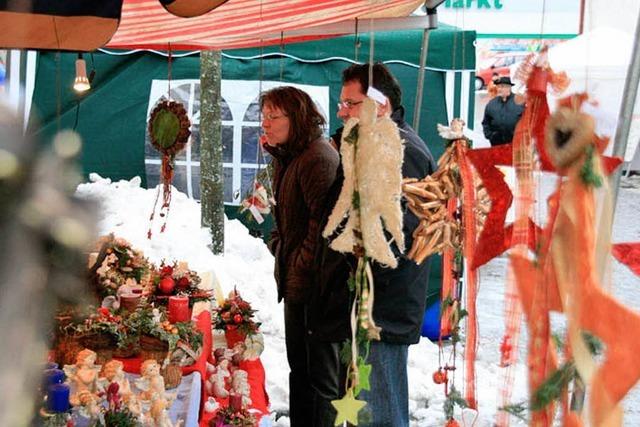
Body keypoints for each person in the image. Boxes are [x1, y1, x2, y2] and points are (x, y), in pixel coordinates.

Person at [306, 63, 436, 426]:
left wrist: (358, 267)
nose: (341, 111)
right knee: (365, 409)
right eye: (341, 103)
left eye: (350, 103)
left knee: (379, 412)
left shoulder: (401, 151)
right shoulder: (368, 142)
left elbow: (399, 236)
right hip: (365, 307)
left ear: (379, 105)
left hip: (381, 310)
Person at [261, 86, 340, 426]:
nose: (265, 123)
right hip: (299, 285)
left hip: (314, 289)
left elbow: (321, 228)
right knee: (301, 372)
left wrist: (297, 267)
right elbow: (287, 219)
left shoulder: (317, 158)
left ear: (296, 119)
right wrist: (279, 246)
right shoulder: (291, 157)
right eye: (263, 116)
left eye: (272, 117)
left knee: (318, 378)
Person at [482, 76, 524, 146]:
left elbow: (529, 121)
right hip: (497, 144)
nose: (499, 89)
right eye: (498, 87)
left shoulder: (520, 101)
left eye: (502, 87)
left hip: (516, 144)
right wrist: (490, 136)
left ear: (509, 87)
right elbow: (485, 122)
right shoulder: (492, 104)